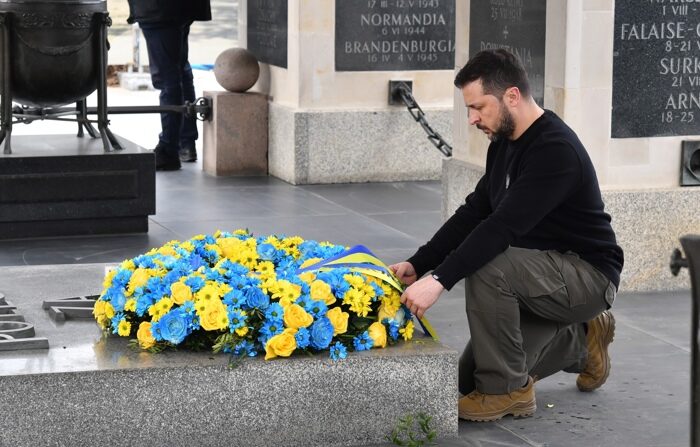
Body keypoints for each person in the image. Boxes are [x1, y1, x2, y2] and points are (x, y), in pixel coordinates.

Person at [389, 49, 624, 422]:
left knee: (488, 265)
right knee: (467, 380)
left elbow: (501, 228)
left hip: (587, 277)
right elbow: (474, 212)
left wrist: (440, 280)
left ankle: (507, 392)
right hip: (538, 278)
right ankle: (581, 341)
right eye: (469, 109)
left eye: (478, 107)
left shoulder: (554, 150)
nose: (472, 119)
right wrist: (419, 264)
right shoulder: (504, 142)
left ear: (511, 96)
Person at [127, 0, 212, 171]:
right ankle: (185, 143)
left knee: (168, 77)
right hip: (178, 8)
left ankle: (169, 149)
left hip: (158, 8)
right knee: (179, 69)